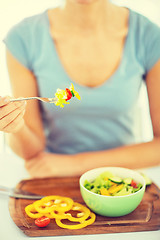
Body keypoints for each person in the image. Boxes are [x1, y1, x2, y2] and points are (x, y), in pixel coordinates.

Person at [0, 0, 160, 178]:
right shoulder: (23, 38)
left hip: (122, 179)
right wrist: (15, 126)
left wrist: (75, 164)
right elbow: (30, 150)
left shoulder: (149, 36)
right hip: (52, 179)